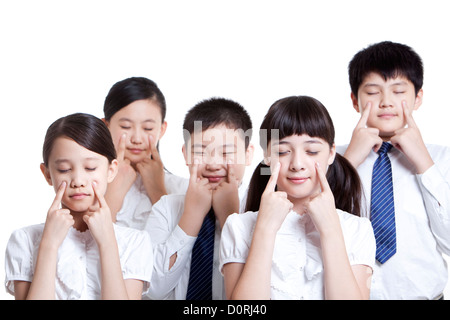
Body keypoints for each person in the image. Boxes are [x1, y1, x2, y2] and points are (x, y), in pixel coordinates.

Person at [220, 96, 375, 300]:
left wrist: (330, 231)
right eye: (283, 151)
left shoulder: (357, 229)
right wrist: (265, 229)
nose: (297, 164)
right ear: (267, 156)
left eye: (311, 151)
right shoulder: (238, 226)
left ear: (331, 153)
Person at [339, 41, 450, 300]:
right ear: (355, 100)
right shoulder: (333, 158)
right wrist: (350, 161)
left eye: (398, 91)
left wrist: (424, 162)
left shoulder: (442, 159)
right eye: (373, 92)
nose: (386, 102)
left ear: (418, 97)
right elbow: (307, 233)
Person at [5, 113, 153, 299]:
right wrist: (49, 245)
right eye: (64, 170)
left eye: (90, 168)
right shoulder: (24, 240)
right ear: (48, 174)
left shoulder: (134, 242)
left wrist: (107, 243)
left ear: (111, 170)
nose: (78, 181)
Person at [144, 97, 254, 299]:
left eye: (226, 152)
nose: (213, 164)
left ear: (248, 155)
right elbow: (152, 289)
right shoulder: (166, 208)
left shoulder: (259, 207)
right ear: (185, 154)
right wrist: (191, 216)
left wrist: (231, 219)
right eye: (201, 152)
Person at [103, 77, 189, 230]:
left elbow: (184, 250)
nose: (136, 139)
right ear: (106, 126)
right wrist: (113, 195)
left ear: (161, 130)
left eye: (147, 128)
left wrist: (158, 191)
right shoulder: (87, 184)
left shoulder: (182, 189)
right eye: (126, 126)